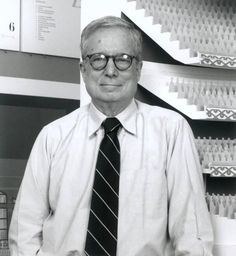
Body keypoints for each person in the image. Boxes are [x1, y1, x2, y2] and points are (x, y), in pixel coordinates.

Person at [9, 16, 213, 256]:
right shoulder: (52, 137)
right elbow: (25, 233)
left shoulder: (172, 131)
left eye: (123, 60)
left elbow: (192, 234)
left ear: (138, 68)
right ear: (83, 69)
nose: (110, 71)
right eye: (98, 59)